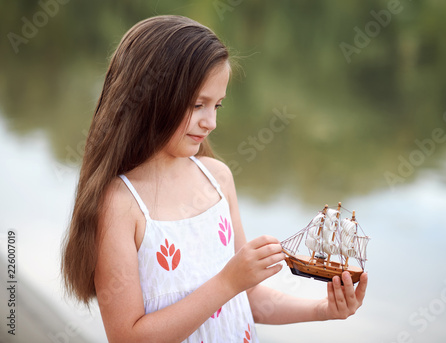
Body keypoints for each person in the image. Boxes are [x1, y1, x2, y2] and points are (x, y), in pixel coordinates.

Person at [61, 15, 368, 343]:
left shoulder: (217, 179)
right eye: (198, 104)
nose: (211, 122)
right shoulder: (121, 204)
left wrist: (324, 310)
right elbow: (128, 337)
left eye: (218, 105)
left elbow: (249, 301)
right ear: (150, 98)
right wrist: (228, 282)